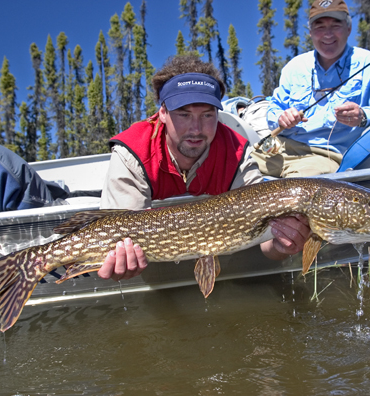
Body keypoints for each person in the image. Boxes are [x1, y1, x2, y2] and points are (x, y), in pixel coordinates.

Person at [98, 55, 311, 282]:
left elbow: (266, 241)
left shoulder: (236, 153)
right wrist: (116, 261)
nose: (196, 129)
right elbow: (114, 237)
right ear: (162, 113)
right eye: (184, 114)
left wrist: (283, 245)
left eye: (207, 115)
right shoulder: (133, 152)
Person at [253, 0, 370, 178]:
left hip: (325, 156)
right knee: (233, 167)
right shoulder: (294, 67)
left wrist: (364, 116)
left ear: (348, 28)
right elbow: (274, 108)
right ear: (310, 32)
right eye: (320, 26)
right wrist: (280, 117)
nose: (328, 34)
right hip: (279, 149)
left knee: (300, 188)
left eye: (335, 24)